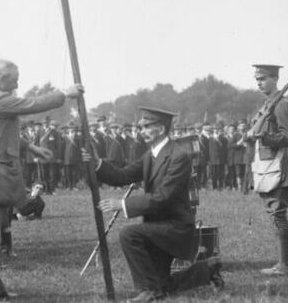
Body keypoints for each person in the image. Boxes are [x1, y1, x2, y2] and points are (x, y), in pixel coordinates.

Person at [0, 59, 82, 302]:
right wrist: (64, 93)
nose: (18, 82)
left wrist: (31, 146)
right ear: (1, 79)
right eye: (15, 78)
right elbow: (31, 104)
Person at [87, 107, 223, 302]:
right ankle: (207, 269)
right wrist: (97, 163)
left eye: (146, 126)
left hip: (175, 228)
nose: (141, 130)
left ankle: (148, 292)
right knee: (164, 286)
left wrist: (123, 204)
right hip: (157, 228)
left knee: (129, 234)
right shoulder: (150, 155)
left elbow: (164, 196)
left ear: (160, 129)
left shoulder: (179, 156)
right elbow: (122, 176)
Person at [246, 64, 288, 275]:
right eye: (257, 79)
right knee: (274, 215)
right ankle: (282, 263)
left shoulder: (281, 105)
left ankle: (284, 264)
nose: (259, 82)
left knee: (278, 215)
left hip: (278, 165)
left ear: (275, 79)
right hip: (265, 165)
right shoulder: (267, 105)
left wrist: (264, 137)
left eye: (263, 78)